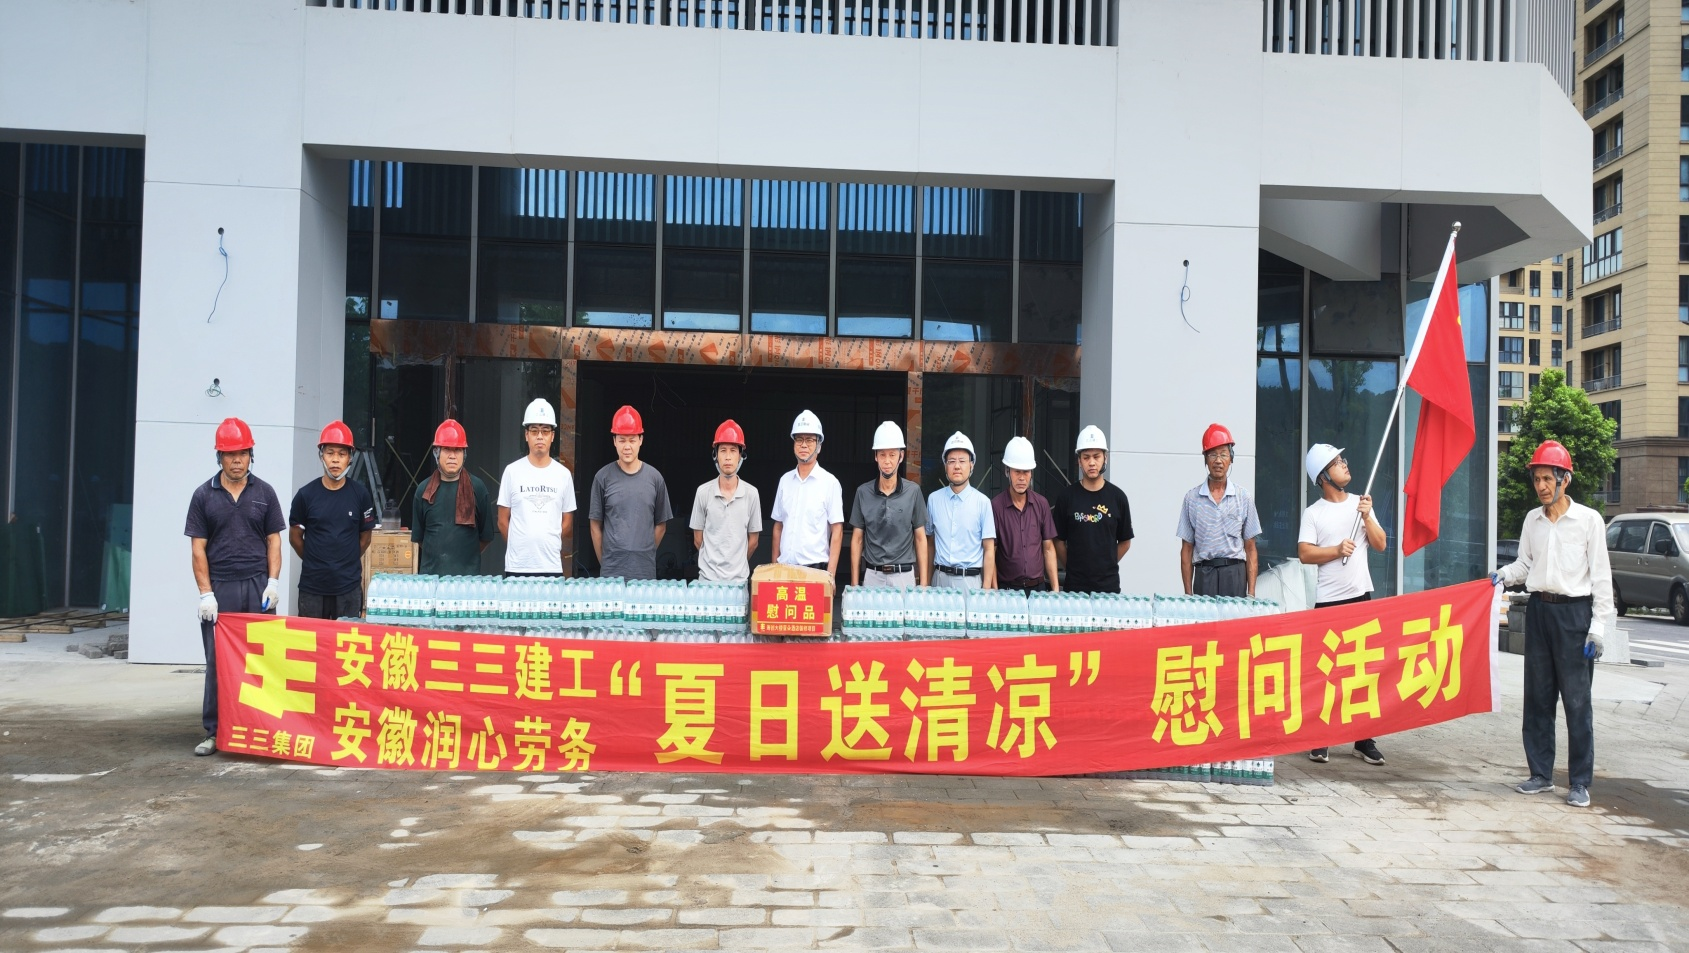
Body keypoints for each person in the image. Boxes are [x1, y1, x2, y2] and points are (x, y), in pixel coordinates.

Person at [1491, 440, 1614, 809]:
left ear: (1565, 480)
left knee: (1577, 702)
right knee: (1538, 698)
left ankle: (1579, 782)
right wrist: (1502, 575)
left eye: (1548, 478)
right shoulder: (1533, 520)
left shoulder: (1589, 521)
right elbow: (1525, 564)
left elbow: (1602, 579)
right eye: (1537, 479)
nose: (1541, 486)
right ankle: (1541, 774)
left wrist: (1598, 629)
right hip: (1540, 613)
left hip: (1575, 616)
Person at [185, 417, 284, 757]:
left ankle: (264, 731)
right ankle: (215, 732)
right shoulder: (203, 495)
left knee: (262, 661)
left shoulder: (265, 493)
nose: (237, 460)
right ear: (219, 457)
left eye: (242, 453)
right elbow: (198, 547)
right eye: (230, 454)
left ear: (251, 455)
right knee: (218, 663)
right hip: (221, 587)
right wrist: (206, 593)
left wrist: (273, 582)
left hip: (258, 586)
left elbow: (274, 541)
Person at [1297, 443, 1388, 767]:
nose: (1344, 464)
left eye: (1343, 459)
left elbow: (1380, 544)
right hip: (1328, 601)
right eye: (1337, 462)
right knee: (1327, 672)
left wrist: (1366, 517)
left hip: (1360, 597)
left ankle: (1363, 740)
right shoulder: (1314, 513)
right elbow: (1305, 553)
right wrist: (1336, 550)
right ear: (1323, 476)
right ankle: (1320, 737)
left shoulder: (1360, 504)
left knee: (1362, 670)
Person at [288, 420, 375, 621]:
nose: (335, 460)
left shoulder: (361, 495)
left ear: (350, 457)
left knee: (346, 640)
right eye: (330, 453)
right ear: (321, 456)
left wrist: (346, 560)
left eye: (342, 454)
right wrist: (315, 559)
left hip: (348, 587)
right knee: (310, 640)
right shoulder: (305, 495)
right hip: (312, 588)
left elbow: (365, 538)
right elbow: (295, 538)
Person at [1177, 423, 1262, 598]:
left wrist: (1251, 593)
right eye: (1213, 454)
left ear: (1231, 458)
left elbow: (1251, 548)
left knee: (1234, 618)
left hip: (1235, 574)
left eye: (1223, 454)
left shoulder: (1243, 497)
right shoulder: (1191, 498)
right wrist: (1188, 595)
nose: (1218, 460)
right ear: (1205, 458)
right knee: (1205, 617)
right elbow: (1186, 549)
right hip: (1204, 574)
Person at [589, 405, 673, 580]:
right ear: (614, 441)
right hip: (611, 572)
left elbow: (661, 525)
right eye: (622, 440)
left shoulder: (655, 478)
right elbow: (595, 525)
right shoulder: (602, 477)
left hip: (644, 572)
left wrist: (645, 552)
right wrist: (606, 561)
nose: (627, 446)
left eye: (632, 440)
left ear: (641, 440)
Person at [497, 398, 577, 577]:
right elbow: (502, 521)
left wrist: (549, 541)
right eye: (534, 431)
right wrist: (520, 545)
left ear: (552, 436)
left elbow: (567, 522)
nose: (540, 436)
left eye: (545, 431)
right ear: (526, 435)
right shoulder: (512, 472)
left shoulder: (563, 475)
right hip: (517, 567)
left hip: (551, 567)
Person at [848, 421, 928, 588]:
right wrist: (855, 584)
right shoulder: (863, 492)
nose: (887, 461)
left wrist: (924, 584)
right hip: (873, 575)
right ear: (875, 456)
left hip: (904, 576)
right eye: (882, 455)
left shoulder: (913, 492)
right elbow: (857, 539)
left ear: (901, 456)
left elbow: (920, 538)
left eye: (892, 455)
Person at [411, 419, 496, 576]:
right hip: (431, 581)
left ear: (464, 454)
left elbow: (485, 537)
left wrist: (464, 559)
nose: (452, 456)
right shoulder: (423, 490)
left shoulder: (478, 488)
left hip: (467, 582)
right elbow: (420, 538)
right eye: (447, 450)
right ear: (437, 453)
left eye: (457, 450)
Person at [1054, 425, 1133, 594]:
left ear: (1105, 458)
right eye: (1086, 457)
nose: (1091, 462)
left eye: (1096, 456)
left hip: (1108, 589)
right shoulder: (1066, 497)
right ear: (1079, 460)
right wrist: (1073, 567)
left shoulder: (1118, 498)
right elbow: (1058, 541)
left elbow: (1125, 542)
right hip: (1075, 589)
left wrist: (1107, 564)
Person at [770, 409, 844, 577]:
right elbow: (778, 527)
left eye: (810, 440)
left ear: (819, 445)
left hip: (815, 572)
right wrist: (774, 568)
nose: (803, 445)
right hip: (784, 570)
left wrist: (830, 576)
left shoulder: (830, 483)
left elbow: (837, 531)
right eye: (799, 439)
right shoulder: (785, 481)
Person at [690, 419, 761, 584]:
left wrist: (736, 566)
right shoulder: (703, 492)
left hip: (738, 583)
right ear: (715, 455)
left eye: (733, 451)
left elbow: (754, 541)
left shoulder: (752, 494)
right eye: (723, 450)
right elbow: (697, 539)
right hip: (707, 582)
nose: (728, 457)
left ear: (741, 455)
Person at [927, 432, 996, 590]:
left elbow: (989, 549)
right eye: (951, 461)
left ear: (971, 465)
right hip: (939, 580)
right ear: (945, 466)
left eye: (962, 461)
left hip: (970, 582)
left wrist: (986, 590)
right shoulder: (933, 500)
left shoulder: (983, 502)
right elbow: (929, 543)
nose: (957, 466)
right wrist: (926, 583)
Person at [991, 436, 1059, 593]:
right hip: (1007, 590)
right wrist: (994, 591)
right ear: (1007, 471)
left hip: (1038, 589)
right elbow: (990, 553)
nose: (1022, 478)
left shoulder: (1041, 504)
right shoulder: (995, 506)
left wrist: (1055, 589)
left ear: (1031, 473)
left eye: (1026, 472)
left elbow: (1048, 549)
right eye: (1017, 472)